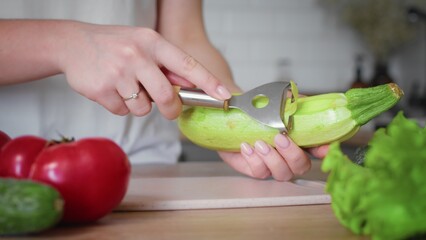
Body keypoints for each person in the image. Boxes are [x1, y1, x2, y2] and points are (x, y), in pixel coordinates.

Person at [0, 0, 328, 181]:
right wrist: (64, 44)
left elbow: (184, 34)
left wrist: (230, 111)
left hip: (141, 168)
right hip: (10, 163)